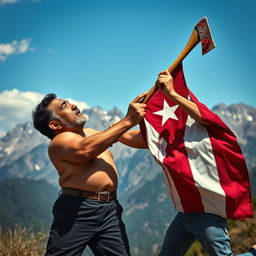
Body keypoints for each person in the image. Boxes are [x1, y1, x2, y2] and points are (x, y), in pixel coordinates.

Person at [117, 69, 256, 256]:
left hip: (208, 213)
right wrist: (126, 121)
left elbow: (204, 117)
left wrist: (172, 94)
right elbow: (127, 136)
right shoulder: (168, 136)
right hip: (184, 214)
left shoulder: (203, 124)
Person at [32, 92, 147, 256]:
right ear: (55, 125)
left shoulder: (93, 133)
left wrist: (152, 119)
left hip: (110, 208)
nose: (72, 105)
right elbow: (84, 149)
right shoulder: (59, 141)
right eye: (64, 106)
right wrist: (127, 121)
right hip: (77, 209)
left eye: (68, 102)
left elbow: (137, 138)